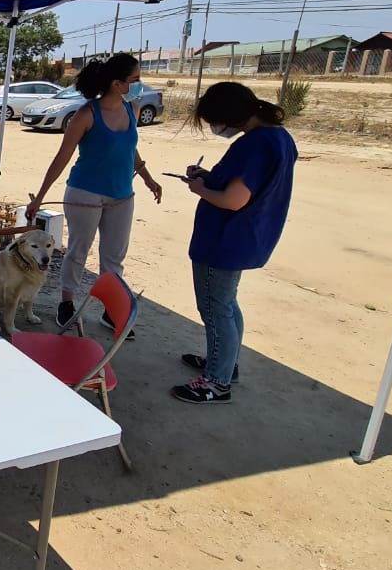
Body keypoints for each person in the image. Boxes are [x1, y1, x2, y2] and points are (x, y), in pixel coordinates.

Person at [171, 82, 297, 404]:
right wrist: (208, 176)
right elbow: (244, 184)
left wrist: (200, 189)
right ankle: (225, 363)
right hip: (244, 238)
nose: (216, 127)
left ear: (228, 115)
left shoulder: (254, 145)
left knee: (215, 309)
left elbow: (234, 199)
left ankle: (217, 382)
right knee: (226, 304)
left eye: (214, 120)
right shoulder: (278, 137)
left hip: (224, 241)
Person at [25, 54, 162, 335]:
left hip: (122, 196)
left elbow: (130, 149)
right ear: (116, 84)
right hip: (84, 194)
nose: (139, 84)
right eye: (135, 79)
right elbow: (62, 157)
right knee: (78, 251)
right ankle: (66, 303)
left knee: (114, 257)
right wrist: (39, 197)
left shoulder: (132, 110)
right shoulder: (87, 114)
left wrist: (148, 178)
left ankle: (111, 311)